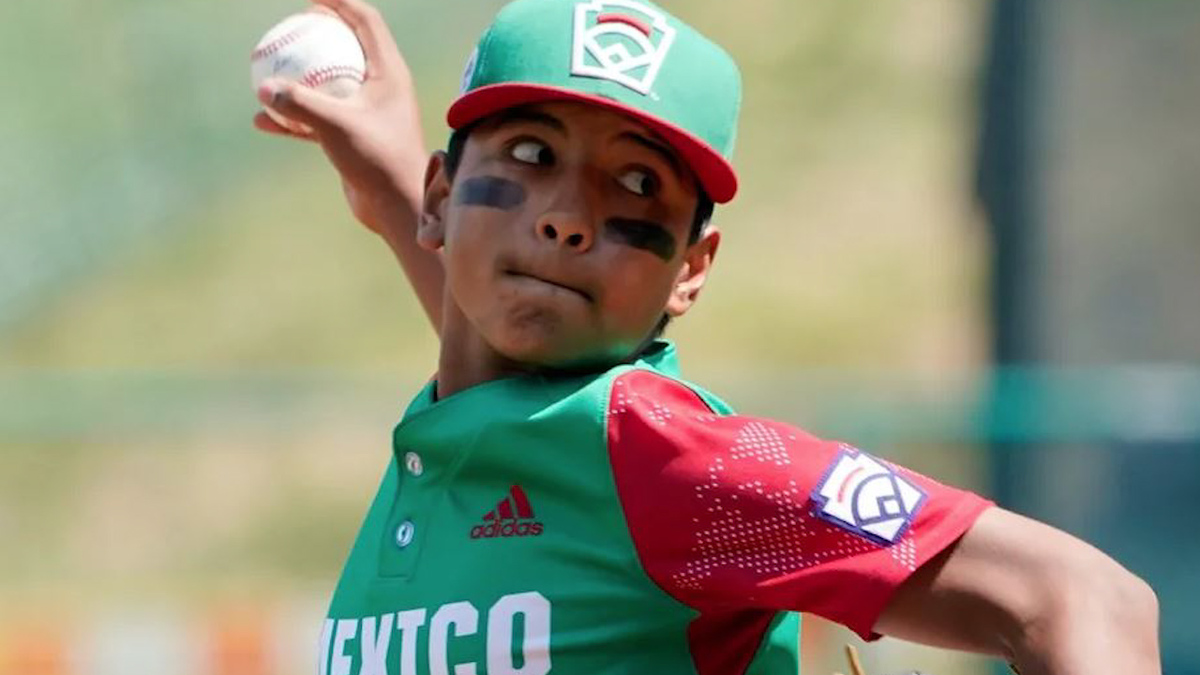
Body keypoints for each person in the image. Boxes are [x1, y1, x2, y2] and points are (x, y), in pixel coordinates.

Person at [254, 0, 1162, 673]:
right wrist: (387, 190)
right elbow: (506, 368)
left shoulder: (669, 458)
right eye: (531, 155)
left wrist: (416, 209)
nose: (570, 217)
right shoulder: (490, 434)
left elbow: (1085, 596)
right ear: (444, 198)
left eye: (637, 186)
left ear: (690, 271)